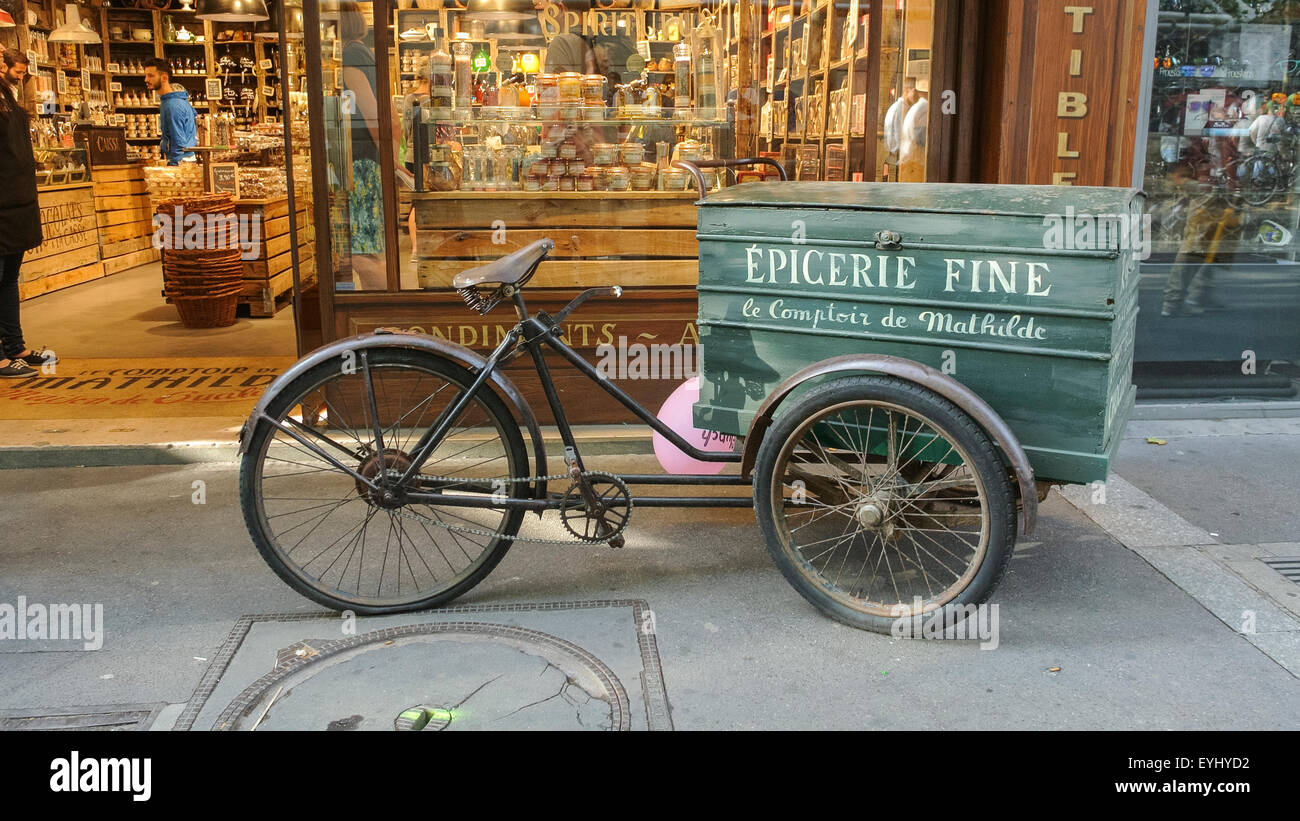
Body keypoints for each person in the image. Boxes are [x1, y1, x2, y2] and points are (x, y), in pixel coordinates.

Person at [0, 49, 55, 378]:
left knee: (8, 281)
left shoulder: (7, 94)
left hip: (16, 202)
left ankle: (14, 346)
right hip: (2, 203)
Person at [336, 0, 386, 290]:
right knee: (362, 249)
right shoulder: (355, 52)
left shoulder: (353, 54)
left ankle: (385, 319)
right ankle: (376, 325)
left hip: (362, 165)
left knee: (363, 253)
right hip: (362, 163)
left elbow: (369, 112)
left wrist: (386, 161)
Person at [401, 57, 431, 266]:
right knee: (421, 203)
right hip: (426, 156)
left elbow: (405, 129)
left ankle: (418, 248)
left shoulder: (409, 98)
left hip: (412, 155)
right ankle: (417, 249)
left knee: (418, 202)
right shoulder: (433, 98)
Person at [143, 58, 197, 166]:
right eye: (146, 75)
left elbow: (179, 141)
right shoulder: (172, 100)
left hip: (181, 161)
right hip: (185, 158)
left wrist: (174, 165)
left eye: (151, 76)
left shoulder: (172, 105)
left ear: (164, 78)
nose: (146, 79)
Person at [883, 78, 917, 172]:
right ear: (907, 90)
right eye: (915, 92)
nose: (917, 96)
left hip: (895, 157)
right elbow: (900, 136)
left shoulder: (895, 107)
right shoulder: (901, 109)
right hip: (898, 159)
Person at [898, 77, 929, 182]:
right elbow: (922, 138)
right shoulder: (925, 107)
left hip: (909, 162)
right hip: (915, 164)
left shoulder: (918, 106)